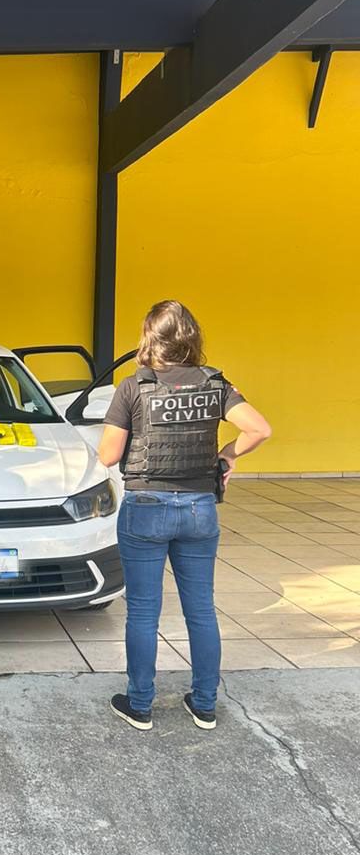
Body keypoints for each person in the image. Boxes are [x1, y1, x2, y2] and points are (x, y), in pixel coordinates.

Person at [97, 301, 271, 732]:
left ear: (149, 338)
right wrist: (227, 456)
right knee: (201, 609)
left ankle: (140, 705)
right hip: (198, 508)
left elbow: (108, 456)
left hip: (146, 509)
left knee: (142, 611)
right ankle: (205, 704)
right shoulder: (215, 384)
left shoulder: (134, 387)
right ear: (191, 338)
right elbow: (259, 429)